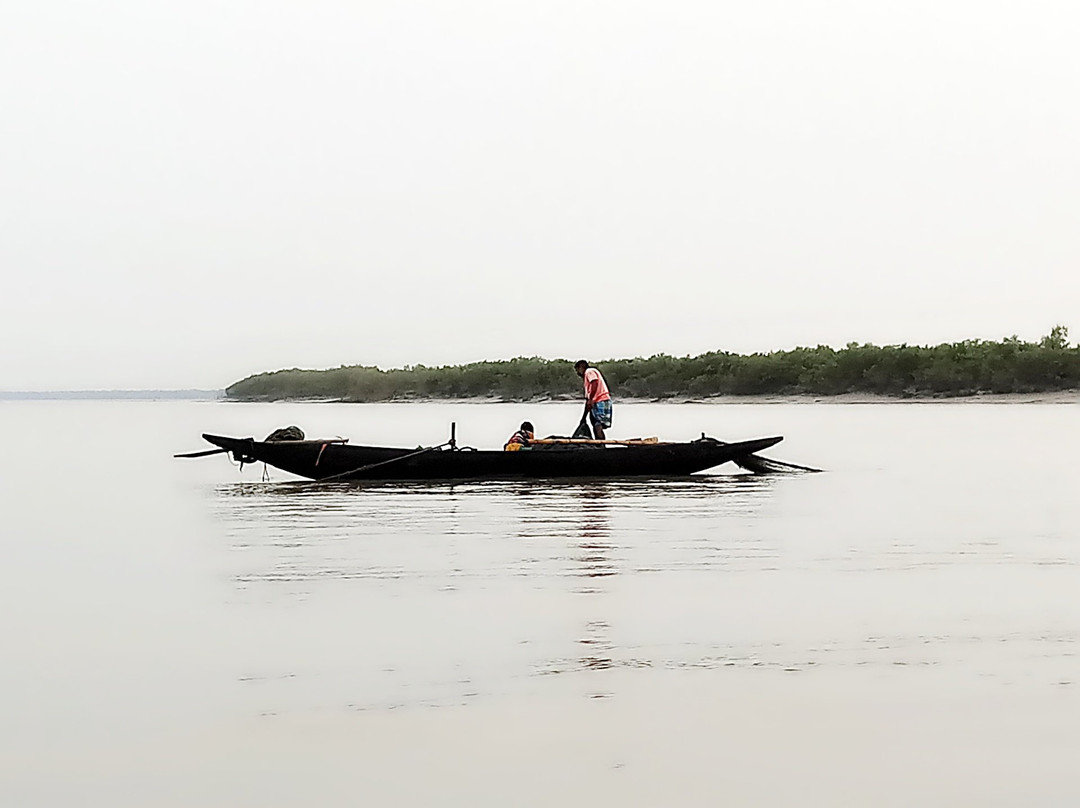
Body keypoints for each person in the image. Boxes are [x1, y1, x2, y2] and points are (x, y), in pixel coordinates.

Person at [574, 360, 612, 439]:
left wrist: (591, 399)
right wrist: (583, 418)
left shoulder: (589, 371)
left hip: (601, 400)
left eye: (577, 370)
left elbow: (594, 382)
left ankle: (601, 445)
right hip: (597, 401)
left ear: (581, 368)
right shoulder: (586, 378)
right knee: (594, 422)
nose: (578, 373)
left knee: (598, 424)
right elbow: (587, 402)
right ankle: (598, 443)